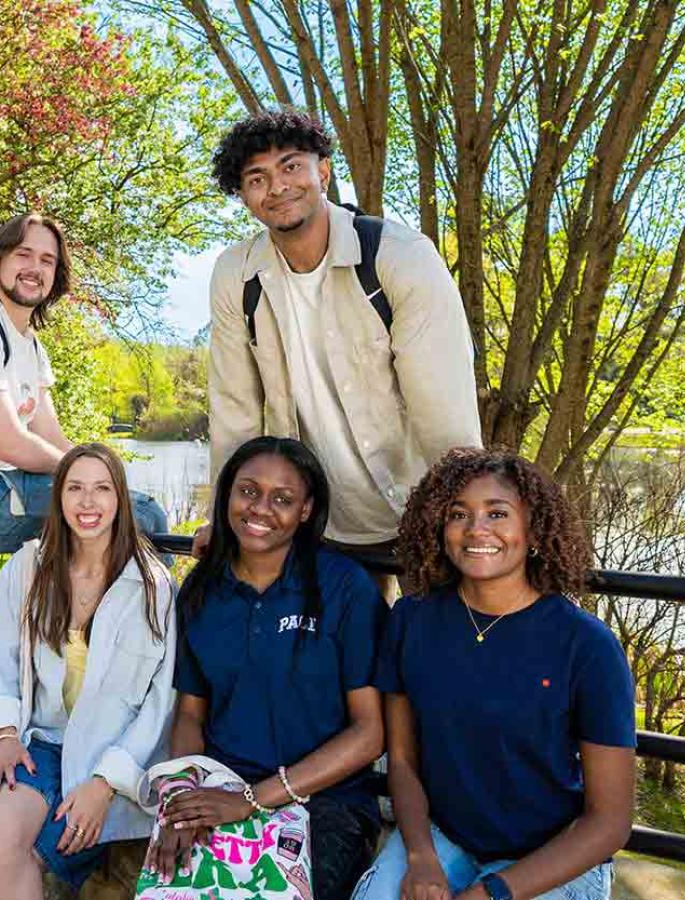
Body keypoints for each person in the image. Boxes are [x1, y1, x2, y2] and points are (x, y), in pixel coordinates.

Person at [195, 109, 481, 578]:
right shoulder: (236, 275)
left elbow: (444, 413)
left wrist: (464, 521)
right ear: (244, 196)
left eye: (291, 167)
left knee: (433, 649)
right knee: (341, 653)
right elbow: (235, 412)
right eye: (257, 178)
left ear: (322, 171)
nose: (278, 186)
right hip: (318, 527)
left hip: (420, 516)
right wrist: (223, 519)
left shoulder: (400, 258)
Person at [353, 448, 635, 900]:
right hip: (441, 836)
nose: (476, 529)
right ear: (439, 529)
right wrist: (421, 857)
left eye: (497, 513)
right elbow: (402, 761)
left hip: (549, 854)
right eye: (458, 514)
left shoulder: (586, 646)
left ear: (533, 529)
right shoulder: (412, 620)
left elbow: (610, 821)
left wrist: (494, 892)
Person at [147, 436, 386, 900]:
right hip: (220, 789)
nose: (260, 508)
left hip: (325, 802)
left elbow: (369, 733)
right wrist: (178, 802)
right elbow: (191, 716)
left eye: (283, 499)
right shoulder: (202, 590)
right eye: (248, 491)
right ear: (227, 494)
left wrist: (252, 800)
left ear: (306, 510)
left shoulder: (345, 589)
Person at [0, 442, 176, 898]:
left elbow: (160, 705)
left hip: (108, 761)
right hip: (39, 746)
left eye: (101, 488)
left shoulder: (152, 586)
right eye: (75, 487)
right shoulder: (28, 569)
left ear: (121, 499)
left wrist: (105, 784)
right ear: (58, 497)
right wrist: (3, 734)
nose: (88, 502)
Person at [0, 213, 168, 555]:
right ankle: (155, 609)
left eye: (47, 260)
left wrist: (97, 472)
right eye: (23, 254)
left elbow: (49, 432)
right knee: (143, 515)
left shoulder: (31, 344)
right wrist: (88, 476)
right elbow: (12, 445)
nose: (35, 268)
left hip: (10, 484)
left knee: (121, 508)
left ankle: (88, 607)